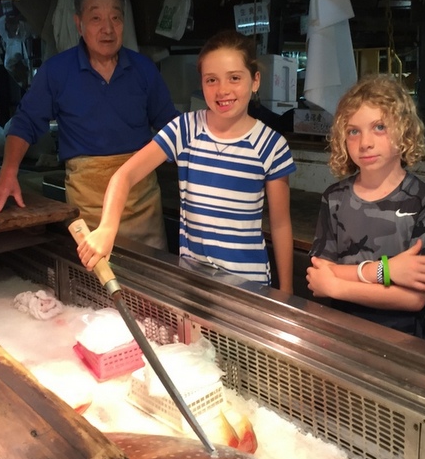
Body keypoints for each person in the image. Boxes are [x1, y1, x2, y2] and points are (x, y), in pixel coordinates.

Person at [77, 30, 296, 293]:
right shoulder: (184, 129)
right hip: (194, 283)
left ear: (255, 80)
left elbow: (281, 225)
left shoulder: (272, 145)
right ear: (201, 84)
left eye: (235, 78)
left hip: (249, 287)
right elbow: (124, 176)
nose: (223, 90)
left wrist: (287, 293)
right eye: (211, 80)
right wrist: (107, 229)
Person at [0, 0, 178, 250]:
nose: (108, 28)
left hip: (141, 203)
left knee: (150, 280)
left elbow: (172, 128)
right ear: (78, 23)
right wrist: (8, 173)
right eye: (96, 18)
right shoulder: (56, 71)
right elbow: (25, 123)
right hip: (87, 200)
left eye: (115, 17)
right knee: (94, 277)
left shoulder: (144, 69)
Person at [306, 75, 425, 338]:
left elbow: (413, 299)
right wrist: (388, 271)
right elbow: (319, 275)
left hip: (401, 341)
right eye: (353, 131)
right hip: (340, 334)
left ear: (405, 130)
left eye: (379, 127)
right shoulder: (334, 198)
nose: (365, 143)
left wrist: (337, 286)